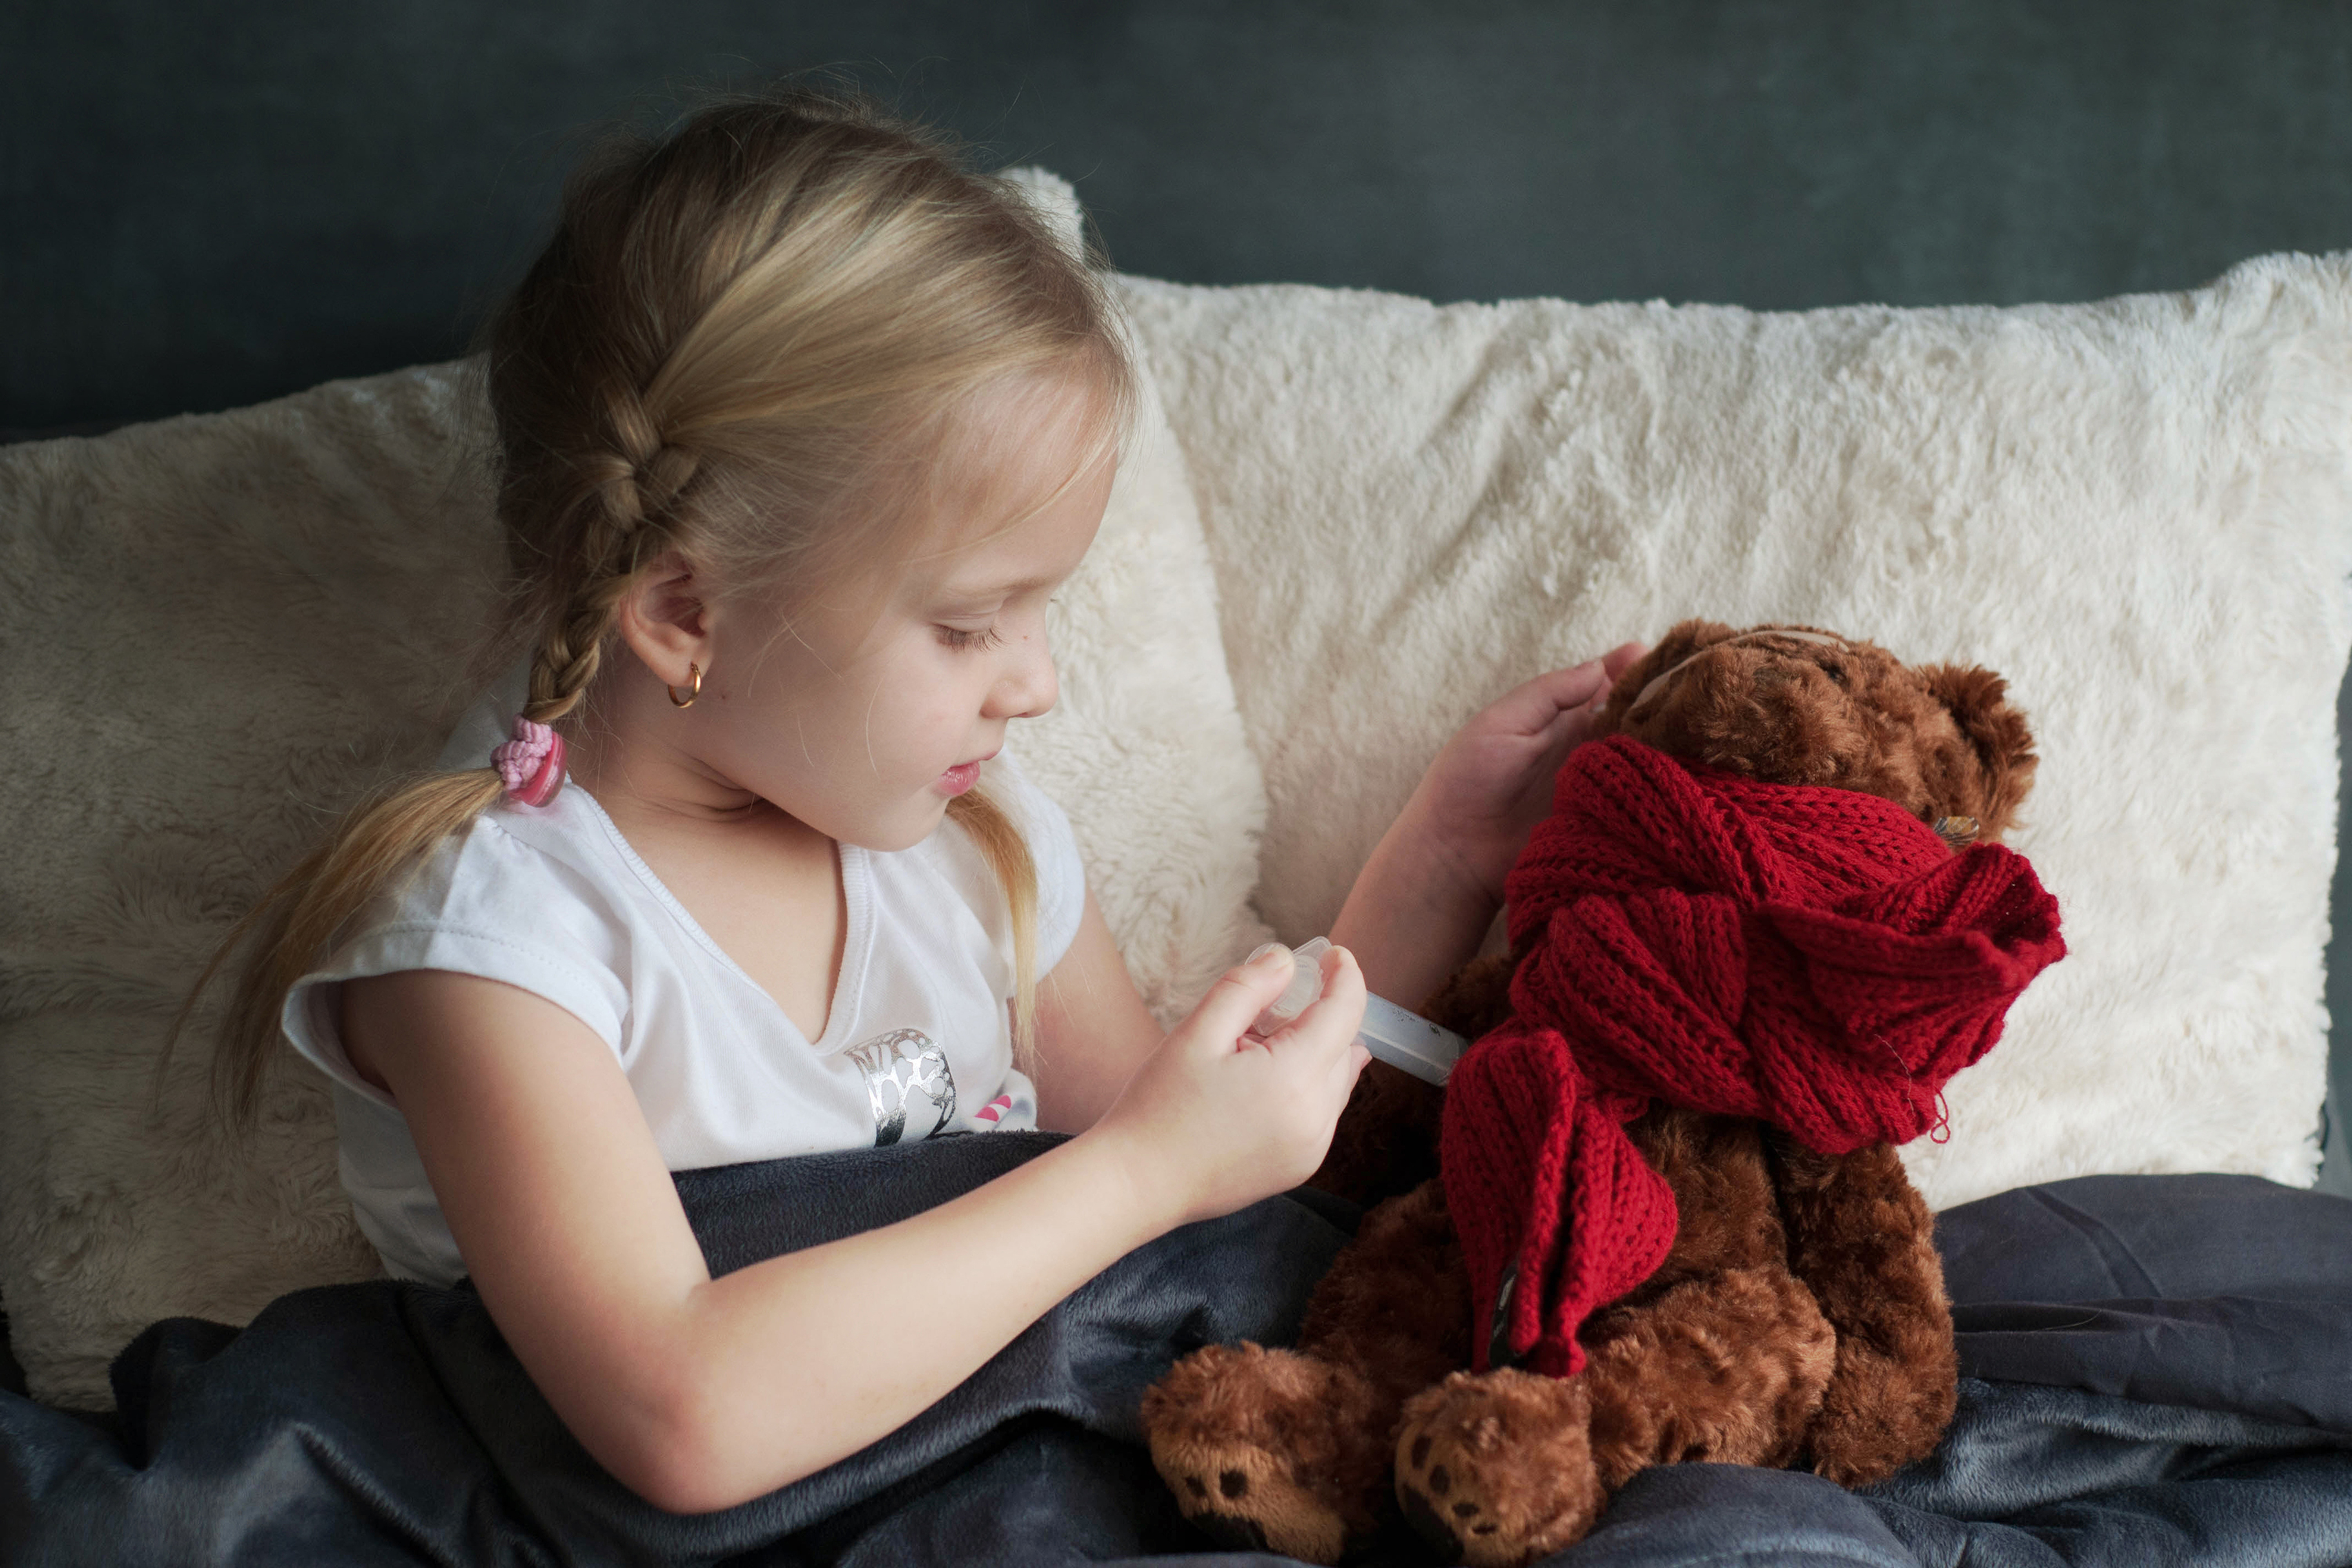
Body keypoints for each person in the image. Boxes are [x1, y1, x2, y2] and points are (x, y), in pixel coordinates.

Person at [178, 88, 1642, 1517]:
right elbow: (686, 1416)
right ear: (684, 610)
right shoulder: (495, 933)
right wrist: (1140, 1173)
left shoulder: (966, 843)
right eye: (968, 627)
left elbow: (1202, 1155)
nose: (1038, 687)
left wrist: (1439, 862)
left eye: (1041, 613)